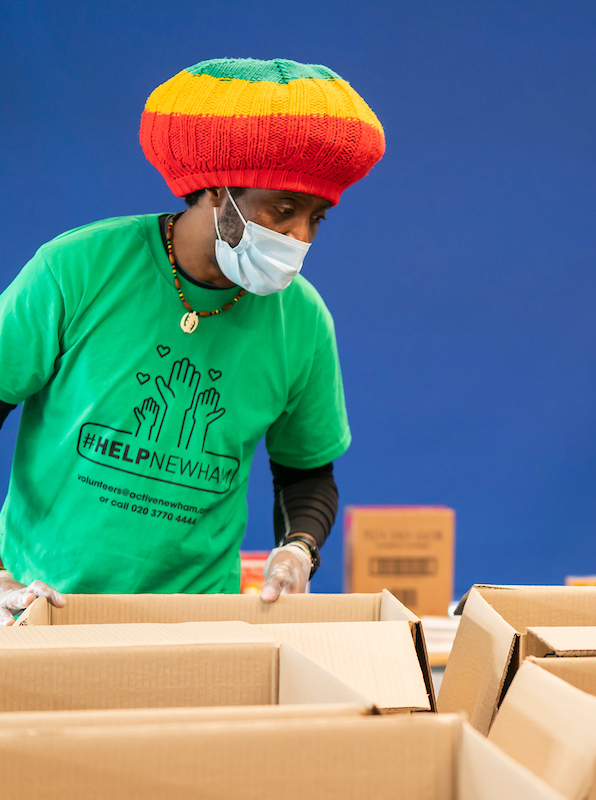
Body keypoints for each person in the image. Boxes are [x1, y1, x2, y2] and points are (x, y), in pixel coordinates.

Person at [0, 58, 386, 623]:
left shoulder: (301, 321)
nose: (300, 238)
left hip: (195, 622)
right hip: (41, 608)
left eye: (316, 218)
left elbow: (306, 473)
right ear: (216, 190)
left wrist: (299, 548)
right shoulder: (77, 270)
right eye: (283, 210)